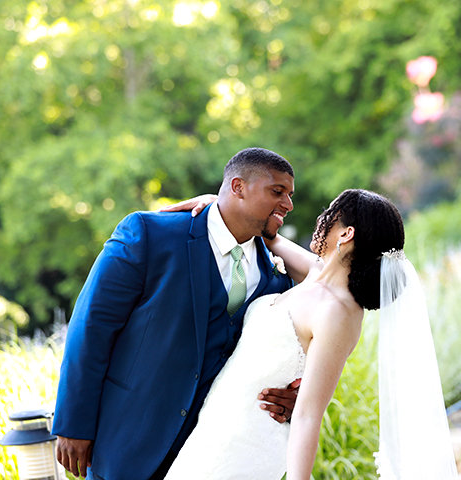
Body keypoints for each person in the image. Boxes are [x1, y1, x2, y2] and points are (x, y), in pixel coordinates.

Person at [161, 189, 458, 479]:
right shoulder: (316, 273)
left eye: (330, 214)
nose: (321, 220)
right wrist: (219, 203)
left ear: (346, 234)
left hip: (248, 444)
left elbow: (308, 414)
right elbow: (270, 237)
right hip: (213, 430)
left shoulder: (339, 312)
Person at [52, 148, 301, 480]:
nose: (288, 204)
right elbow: (91, 328)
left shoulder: (277, 277)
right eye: (277, 192)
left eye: (289, 195)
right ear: (238, 187)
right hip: (129, 441)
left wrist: (293, 396)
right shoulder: (149, 235)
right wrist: (73, 424)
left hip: (211, 454)